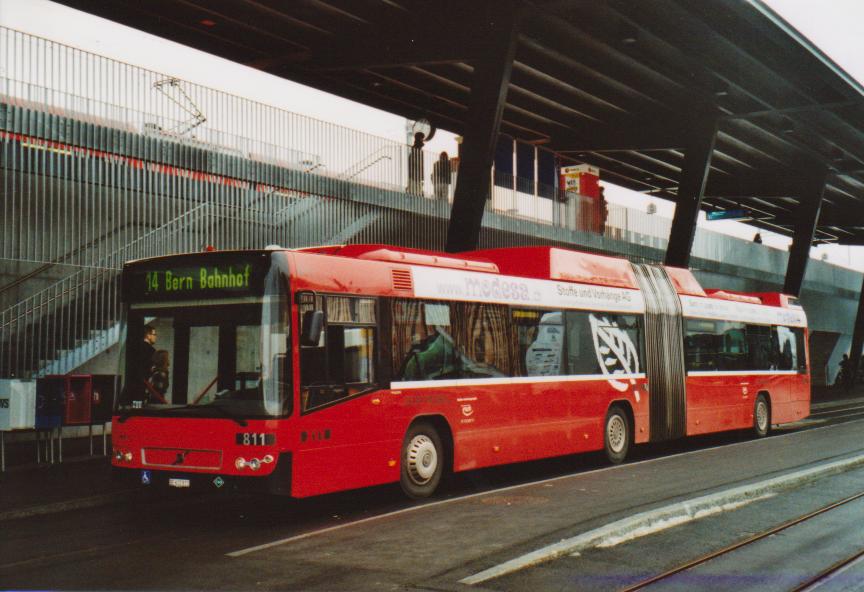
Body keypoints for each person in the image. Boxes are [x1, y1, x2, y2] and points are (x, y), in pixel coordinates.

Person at [407, 132, 425, 196]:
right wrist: (422, 177)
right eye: (422, 138)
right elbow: (420, 166)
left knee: (414, 193)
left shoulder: (414, 152)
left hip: (414, 177)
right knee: (416, 194)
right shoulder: (419, 152)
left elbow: (420, 166)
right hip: (415, 177)